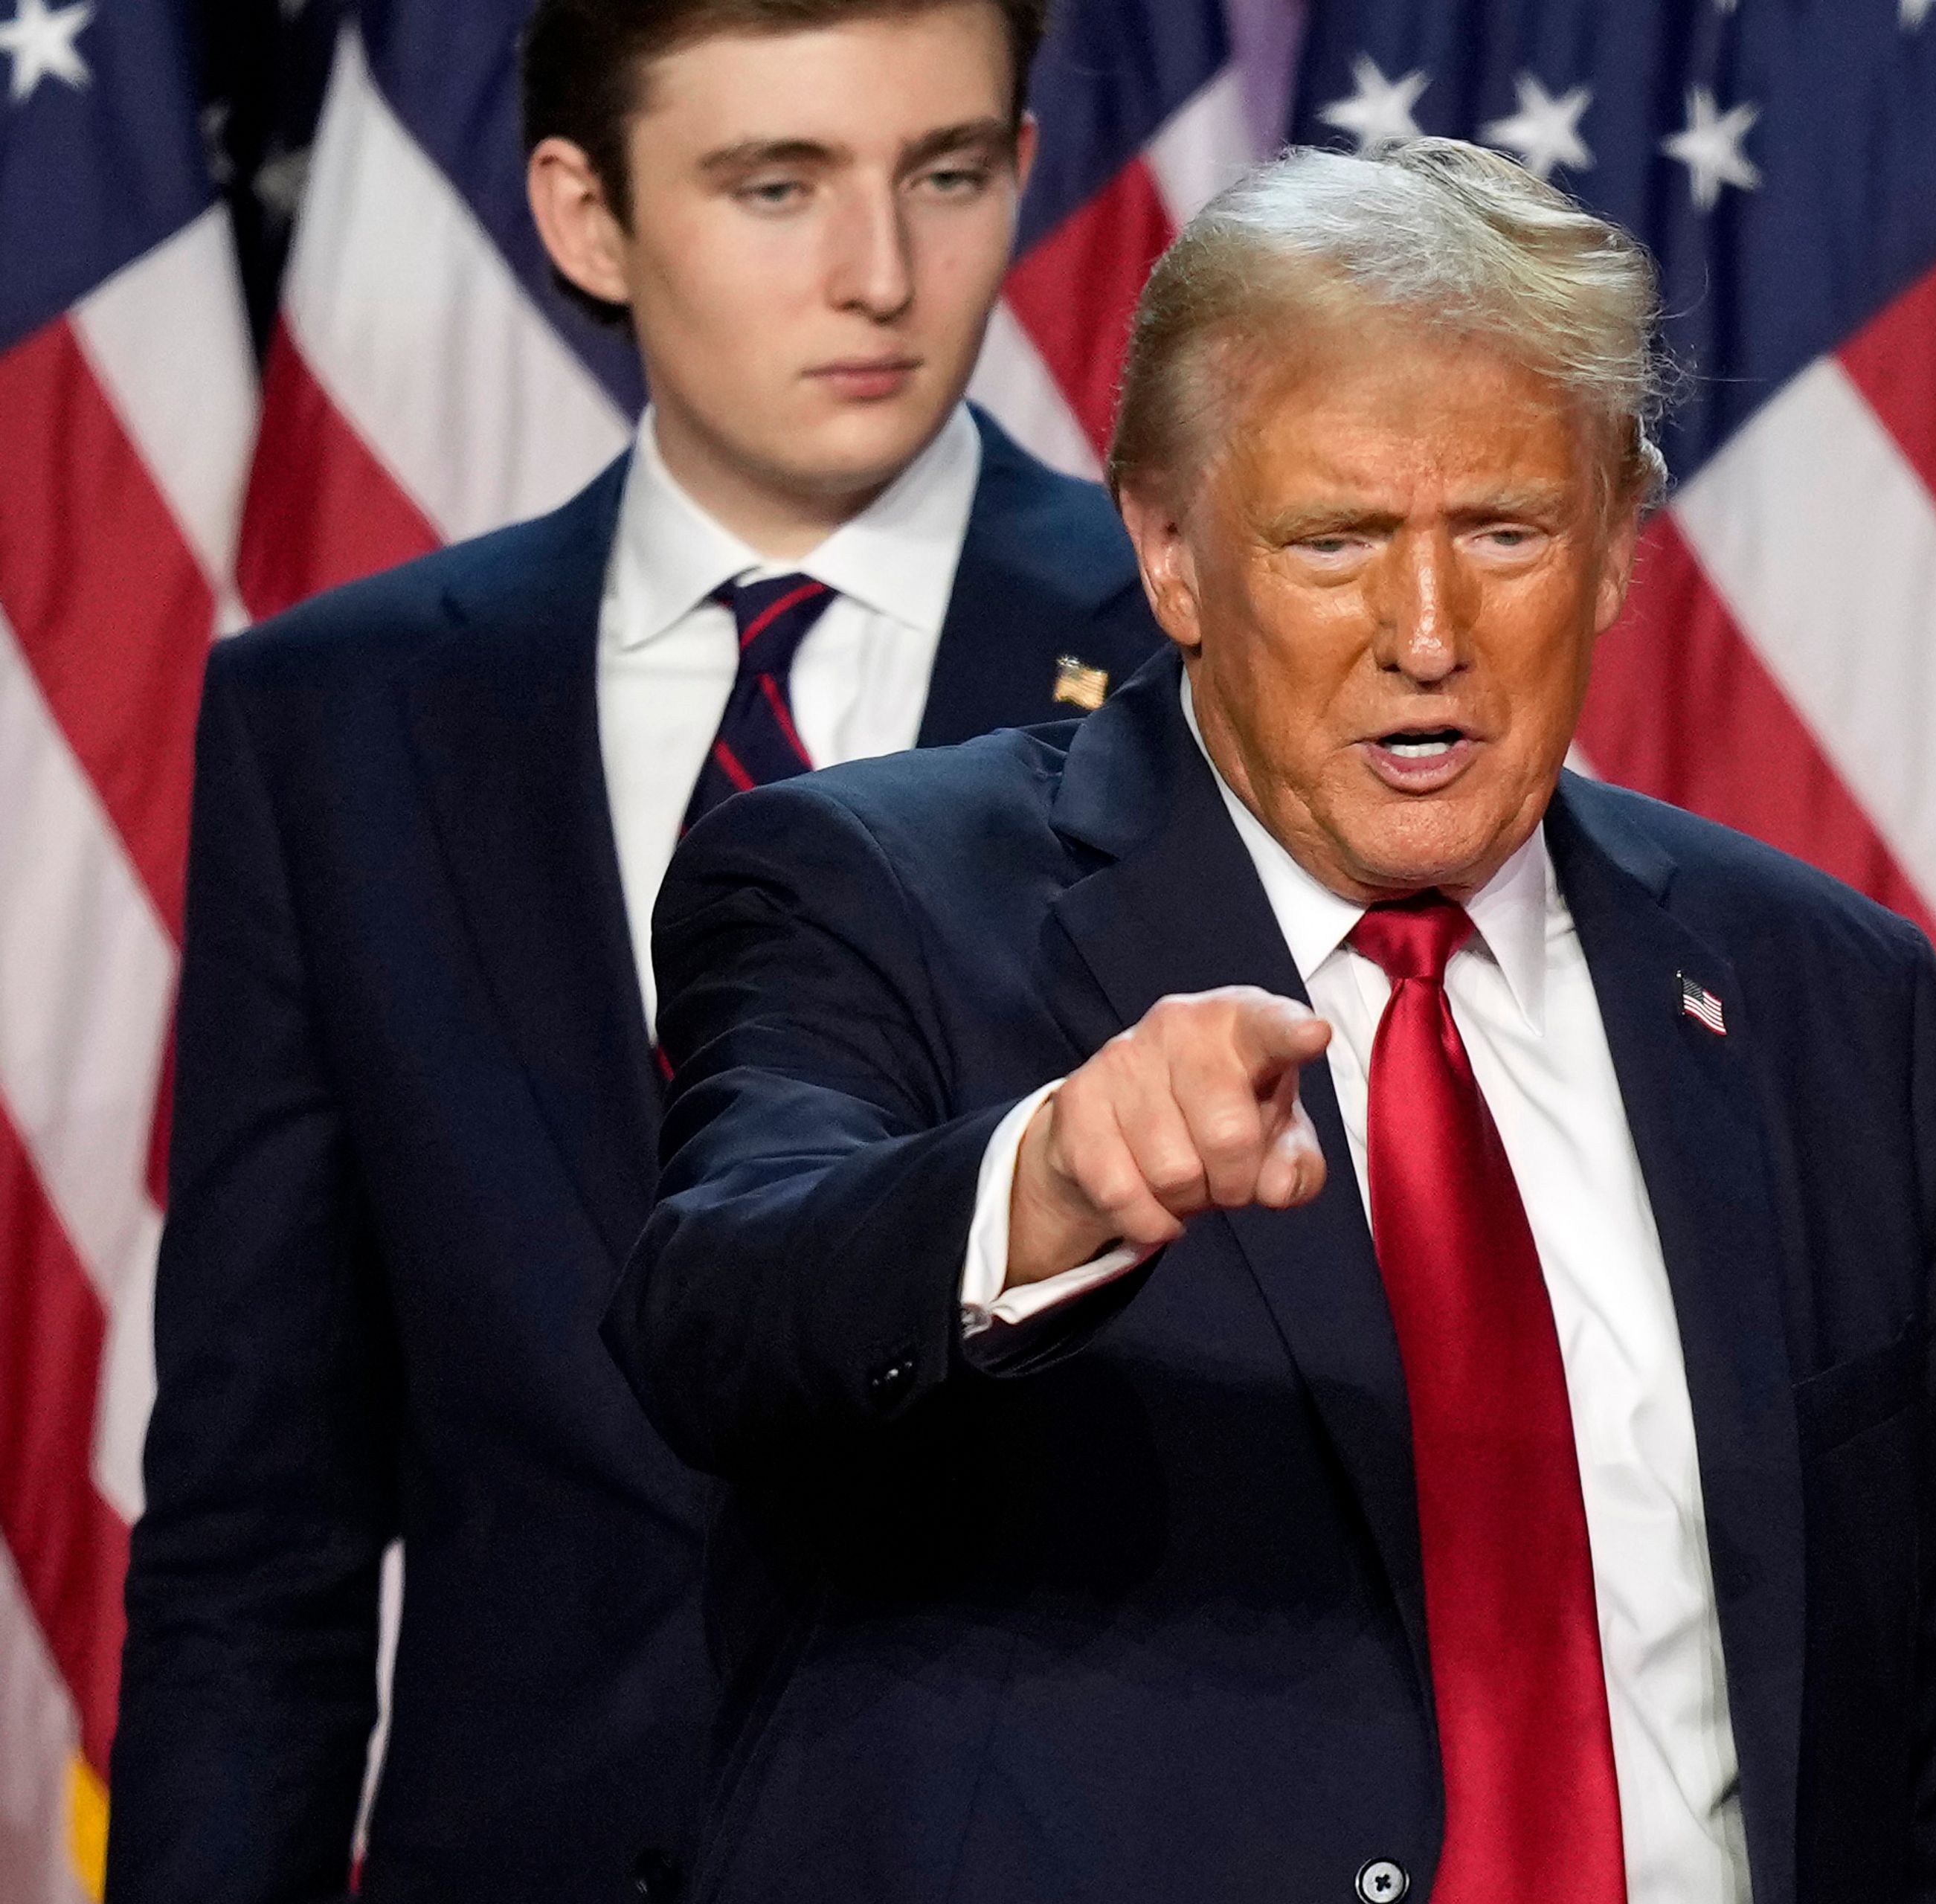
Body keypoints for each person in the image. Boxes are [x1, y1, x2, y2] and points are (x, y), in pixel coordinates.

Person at [603, 138, 1936, 1903]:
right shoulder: (875, 885)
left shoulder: (1830, 991)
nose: (1424, 630)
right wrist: (1045, 1180)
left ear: (1612, 545)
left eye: (1505, 531)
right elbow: (716, 1308)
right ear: (1170, 552)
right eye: (1335, 538)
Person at [108, 1, 1162, 1897]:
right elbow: (259, 1522)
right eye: (777, 186)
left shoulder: (1205, 675)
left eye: (949, 174)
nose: (881, 275)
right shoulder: (338, 718)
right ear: (585, 217)